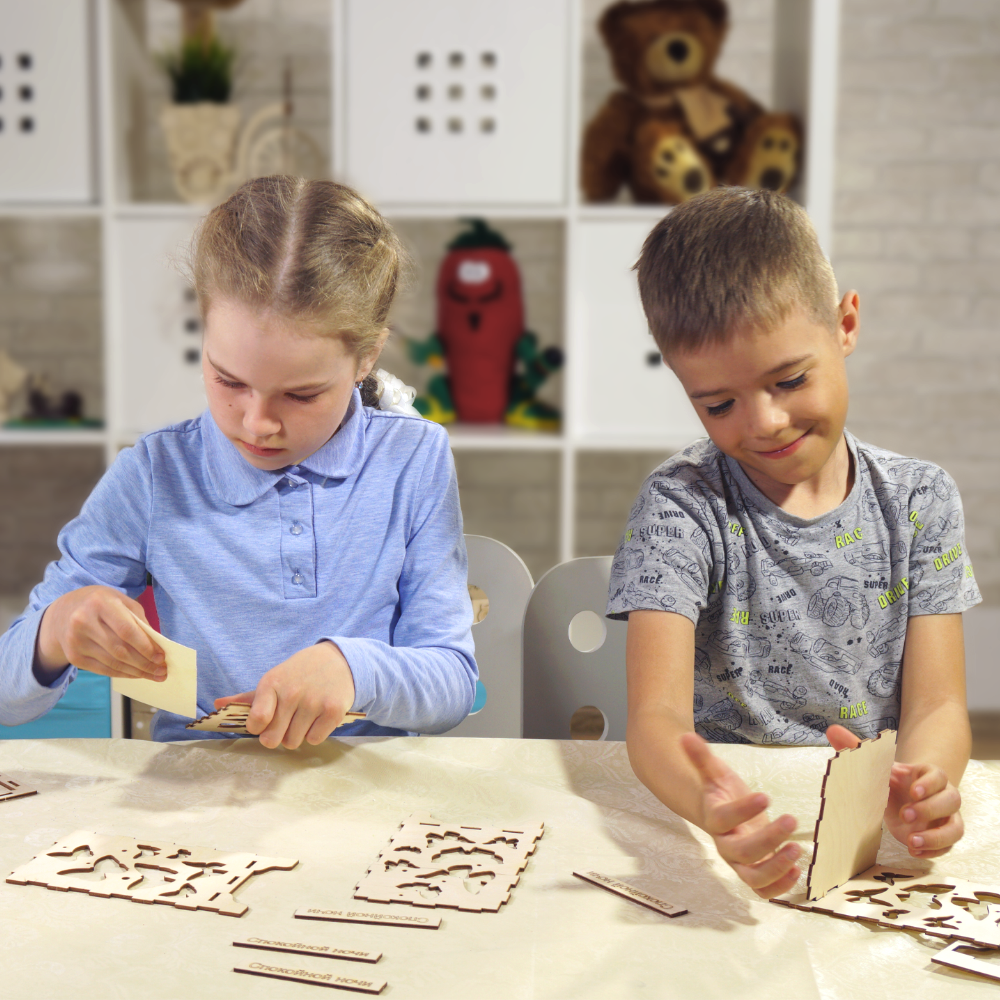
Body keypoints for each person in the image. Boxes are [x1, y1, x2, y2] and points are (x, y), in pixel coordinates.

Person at [0, 176, 477, 748]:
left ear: (366, 358)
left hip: (368, 807)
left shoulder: (413, 458)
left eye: (301, 395)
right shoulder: (155, 475)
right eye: (228, 380)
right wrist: (54, 633)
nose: (257, 423)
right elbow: (10, 696)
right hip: (197, 811)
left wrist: (355, 671)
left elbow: (452, 683)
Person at [608, 187, 980, 899]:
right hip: (733, 820)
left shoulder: (921, 499)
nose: (765, 421)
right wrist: (710, 806)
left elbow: (938, 707)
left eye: (789, 379)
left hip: (865, 830)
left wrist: (925, 782)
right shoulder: (681, 504)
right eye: (718, 404)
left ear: (845, 324)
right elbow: (655, 722)